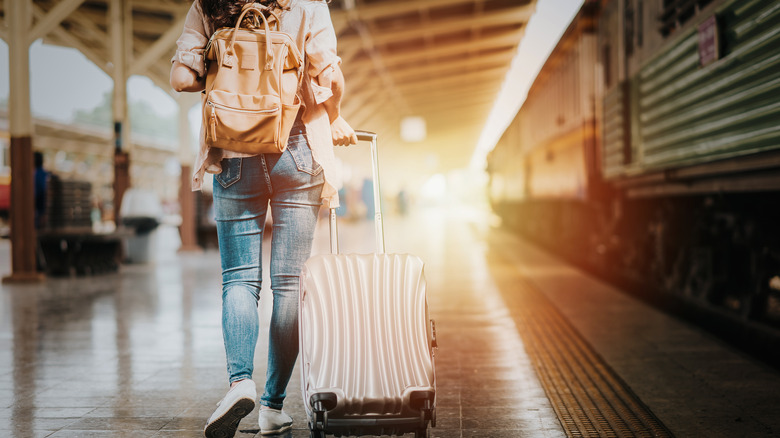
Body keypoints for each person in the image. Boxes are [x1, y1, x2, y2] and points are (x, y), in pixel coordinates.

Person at [170, 1, 357, 436]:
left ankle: (240, 383)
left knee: (239, 279)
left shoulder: (208, 4)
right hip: (296, 148)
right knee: (289, 284)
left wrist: (218, 65)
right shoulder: (308, 4)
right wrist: (335, 116)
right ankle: (273, 406)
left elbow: (182, 78)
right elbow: (329, 77)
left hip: (234, 152)